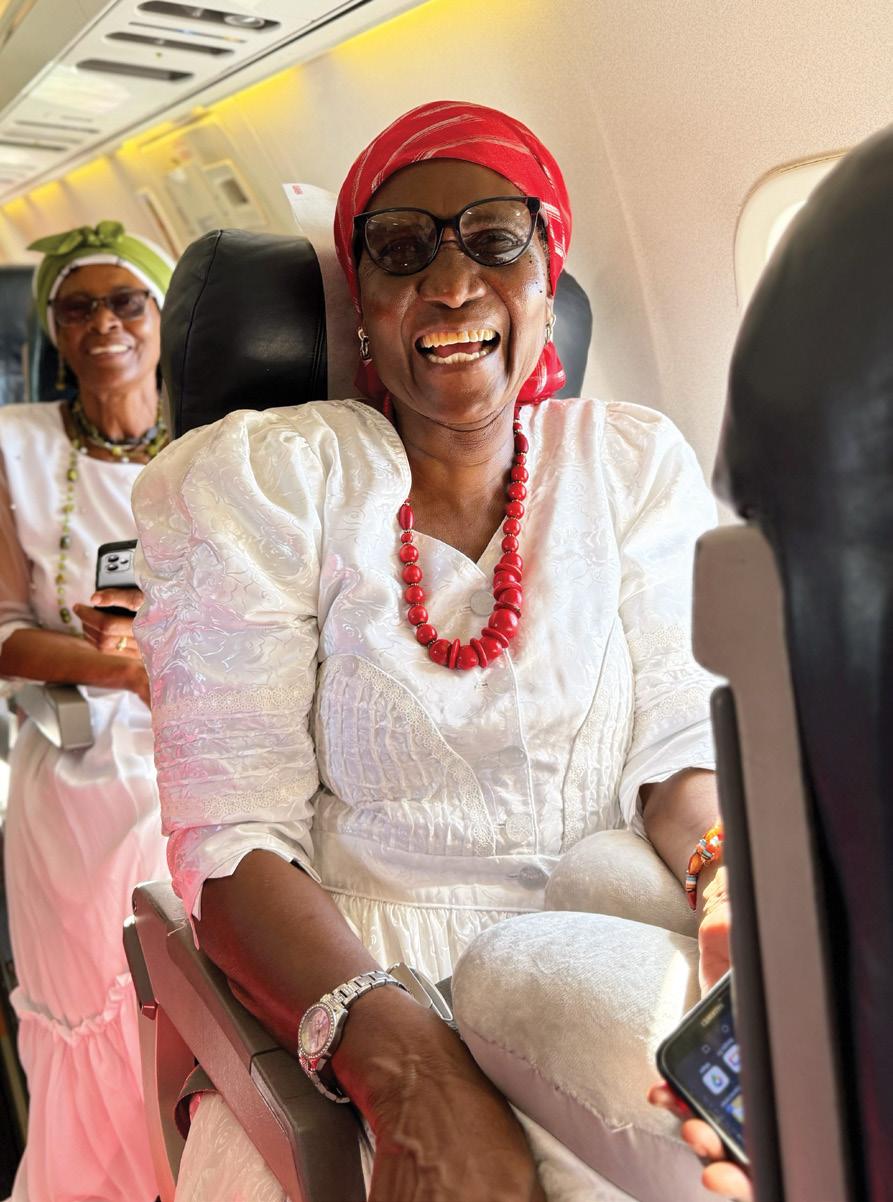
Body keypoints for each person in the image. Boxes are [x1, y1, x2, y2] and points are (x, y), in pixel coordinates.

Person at [133, 101, 731, 1201]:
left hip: (605, 960)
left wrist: (722, 879)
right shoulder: (268, 478)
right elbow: (231, 840)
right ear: (361, 304)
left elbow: (682, 748)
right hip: (353, 977)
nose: (452, 283)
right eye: (403, 249)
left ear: (548, 277)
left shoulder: (631, 462)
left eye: (495, 239)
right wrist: (407, 1070)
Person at [0, 221, 173, 1202]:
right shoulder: (13, 444)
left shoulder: (215, 441)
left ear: (162, 315)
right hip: (75, 746)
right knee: (102, 986)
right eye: (77, 308)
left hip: (198, 725)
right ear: (55, 331)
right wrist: (123, 670)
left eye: (125, 302)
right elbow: (4, 634)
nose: (104, 324)